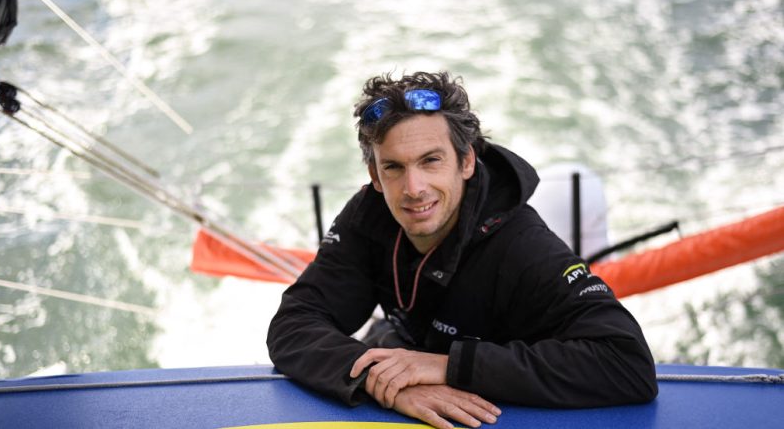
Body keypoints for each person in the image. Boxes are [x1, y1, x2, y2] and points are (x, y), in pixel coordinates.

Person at [267, 71, 658, 429]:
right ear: (375, 176)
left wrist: (447, 367)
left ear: (466, 160)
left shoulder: (523, 247)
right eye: (394, 168)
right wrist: (386, 383)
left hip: (493, 402)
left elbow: (626, 364)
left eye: (431, 161)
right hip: (406, 359)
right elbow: (293, 324)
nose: (414, 188)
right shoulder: (368, 216)